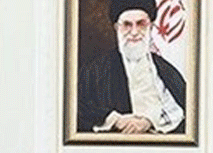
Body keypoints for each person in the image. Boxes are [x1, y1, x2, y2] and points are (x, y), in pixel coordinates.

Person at [76, 0, 186, 135]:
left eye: (141, 24)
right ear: (116, 28)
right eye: (127, 25)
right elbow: (79, 108)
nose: (134, 32)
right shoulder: (95, 71)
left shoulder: (166, 70)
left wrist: (149, 122)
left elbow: (183, 109)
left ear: (151, 27)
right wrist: (115, 120)